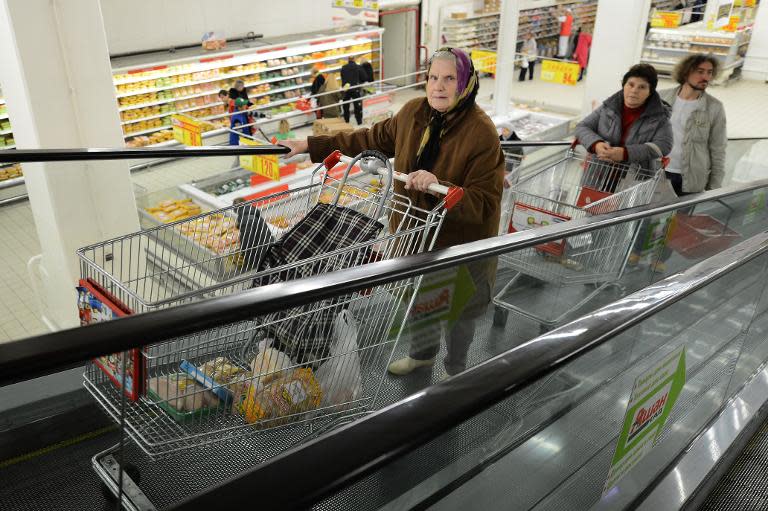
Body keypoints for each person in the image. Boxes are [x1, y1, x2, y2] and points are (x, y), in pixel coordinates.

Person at [280, 47, 504, 377]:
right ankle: (423, 357)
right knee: (420, 303)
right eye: (432, 78)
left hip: (458, 248)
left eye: (449, 79)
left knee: (459, 315)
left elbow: (485, 203)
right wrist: (310, 146)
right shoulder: (413, 112)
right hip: (414, 236)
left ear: (467, 84)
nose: (438, 87)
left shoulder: (481, 134)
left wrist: (437, 184)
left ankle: (456, 372)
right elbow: (370, 138)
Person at [574, 63, 673, 185]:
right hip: (597, 177)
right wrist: (596, 144)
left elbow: (664, 145)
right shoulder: (609, 107)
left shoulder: (659, 116)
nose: (634, 90)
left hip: (633, 182)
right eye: (630, 84)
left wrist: (625, 153)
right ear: (624, 86)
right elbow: (582, 127)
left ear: (650, 92)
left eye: (642, 87)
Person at [659, 54, 726, 196]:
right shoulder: (661, 97)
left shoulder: (714, 107)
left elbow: (718, 149)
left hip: (689, 180)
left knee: (682, 218)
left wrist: (714, 188)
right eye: (700, 71)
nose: (706, 77)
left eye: (709, 72)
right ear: (686, 72)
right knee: (648, 217)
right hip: (657, 172)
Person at [340, 55, 368, 125]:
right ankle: (359, 121)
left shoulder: (343, 68)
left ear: (348, 60)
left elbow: (342, 78)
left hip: (346, 89)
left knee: (346, 106)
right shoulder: (358, 67)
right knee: (357, 105)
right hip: (356, 88)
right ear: (354, 59)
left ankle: (346, 121)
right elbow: (364, 77)